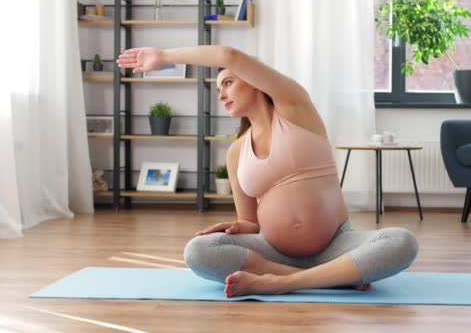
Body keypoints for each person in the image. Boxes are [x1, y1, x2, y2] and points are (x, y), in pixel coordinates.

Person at [117, 45, 418, 297]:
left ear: (255, 81)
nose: (221, 94)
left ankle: (285, 283)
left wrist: (165, 56)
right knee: (198, 251)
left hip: (335, 244)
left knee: (402, 242)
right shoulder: (236, 152)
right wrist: (238, 227)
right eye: (218, 87)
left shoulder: (296, 109)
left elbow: (229, 55)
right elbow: (249, 220)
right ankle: (330, 277)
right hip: (273, 252)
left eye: (228, 82)